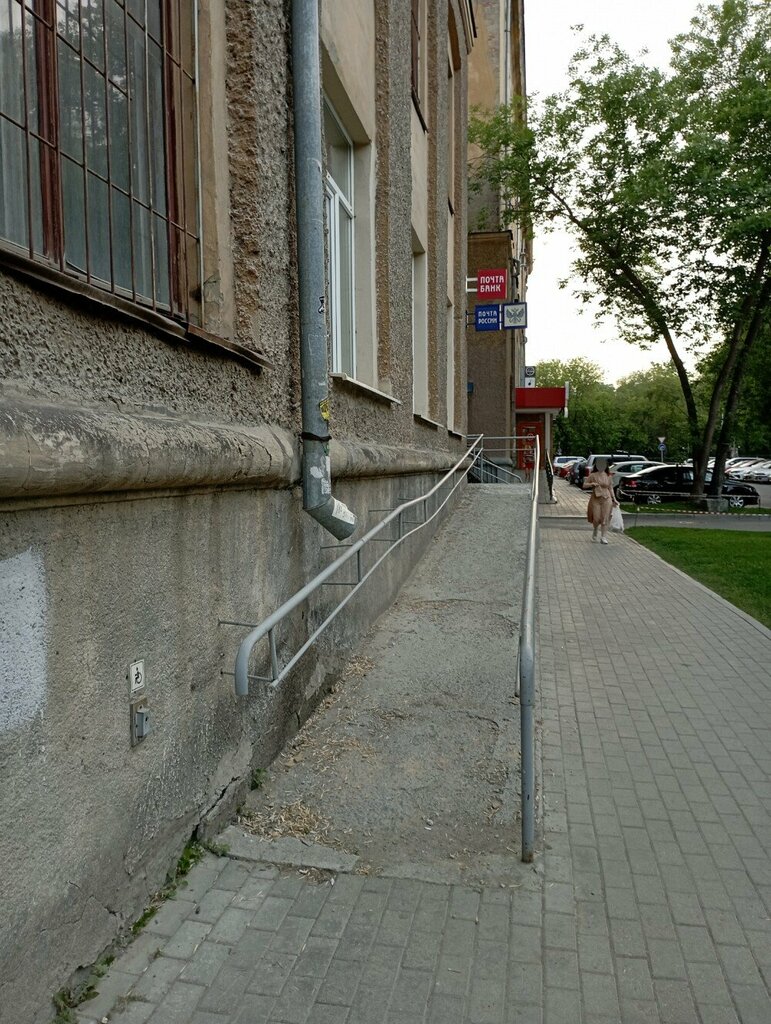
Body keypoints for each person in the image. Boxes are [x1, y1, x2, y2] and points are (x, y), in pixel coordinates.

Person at [586, 457, 619, 544]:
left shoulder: (608, 476)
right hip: (596, 498)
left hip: (607, 498)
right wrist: (592, 484)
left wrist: (614, 499)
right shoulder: (593, 475)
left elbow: (610, 488)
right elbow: (584, 485)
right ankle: (595, 529)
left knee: (605, 518)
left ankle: (603, 537)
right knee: (596, 518)